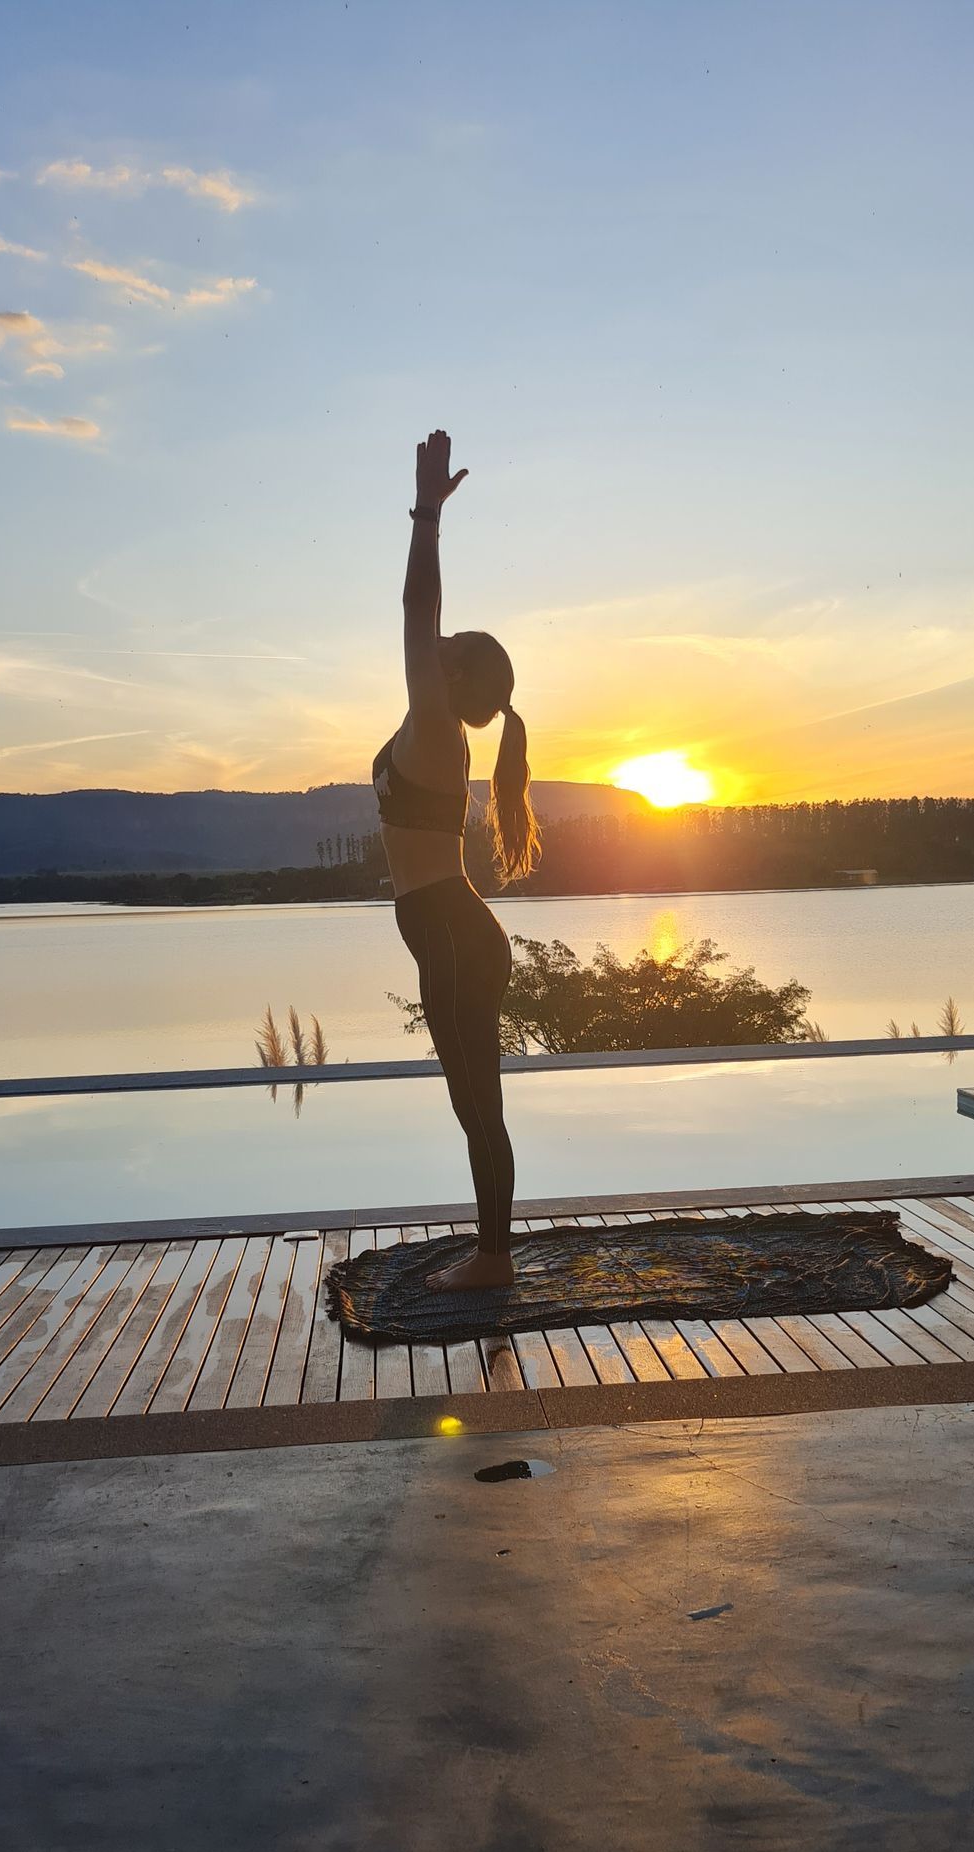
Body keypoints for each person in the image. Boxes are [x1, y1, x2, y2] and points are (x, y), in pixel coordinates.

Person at [374, 430, 540, 1292]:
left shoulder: (438, 726)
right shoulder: (442, 731)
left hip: (449, 930)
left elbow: (415, 610)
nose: (437, 646)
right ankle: (493, 1252)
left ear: (463, 681)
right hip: (454, 928)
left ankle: (493, 1261)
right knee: (477, 1103)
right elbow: (424, 626)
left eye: (453, 647)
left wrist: (427, 514)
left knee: (476, 1103)